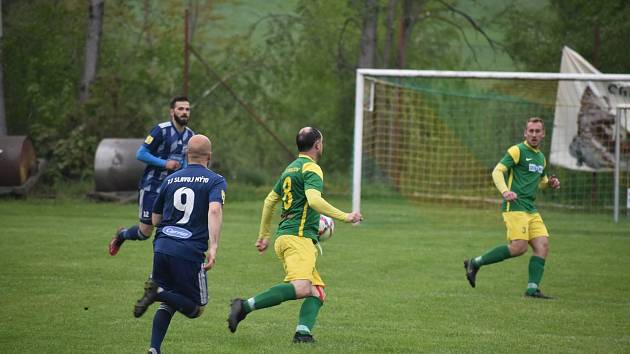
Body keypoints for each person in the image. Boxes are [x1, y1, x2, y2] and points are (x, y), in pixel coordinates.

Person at [227, 127, 362, 343]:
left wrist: (264, 235)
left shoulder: (289, 169)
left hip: (285, 237)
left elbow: (269, 201)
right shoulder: (312, 168)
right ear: (317, 144)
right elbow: (314, 200)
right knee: (301, 287)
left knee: (317, 292)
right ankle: (243, 306)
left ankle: (303, 334)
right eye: (322, 142)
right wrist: (346, 216)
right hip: (298, 239)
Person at [132, 134, 226, 354]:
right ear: (209, 157)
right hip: (189, 251)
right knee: (196, 308)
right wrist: (213, 247)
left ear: (187, 155)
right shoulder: (215, 180)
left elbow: (154, 220)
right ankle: (157, 292)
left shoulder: (170, 179)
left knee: (170, 302)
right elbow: (214, 209)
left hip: (162, 246)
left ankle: (154, 349)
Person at [464, 117, 560, 299]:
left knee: (543, 245)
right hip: (515, 207)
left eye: (537, 131)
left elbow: (541, 182)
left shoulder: (541, 158)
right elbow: (497, 171)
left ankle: (532, 290)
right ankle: (474, 263)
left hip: (530, 209)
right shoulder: (517, 151)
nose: (534, 134)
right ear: (525, 133)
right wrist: (505, 191)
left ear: (543, 134)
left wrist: (551, 183)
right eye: (530, 131)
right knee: (519, 247)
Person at [109, 96, 195, 256]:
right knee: (144, 233)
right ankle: (121, 235)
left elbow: (187, 161)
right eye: (180, 109)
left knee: (167, 227)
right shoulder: (161, 130)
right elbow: (141, 154)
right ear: (172, 111)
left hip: (173, 190)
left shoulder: (191, 135)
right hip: (152, 187)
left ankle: (159, 269)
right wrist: (164, 163)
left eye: (187, 109)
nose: (184, 112)